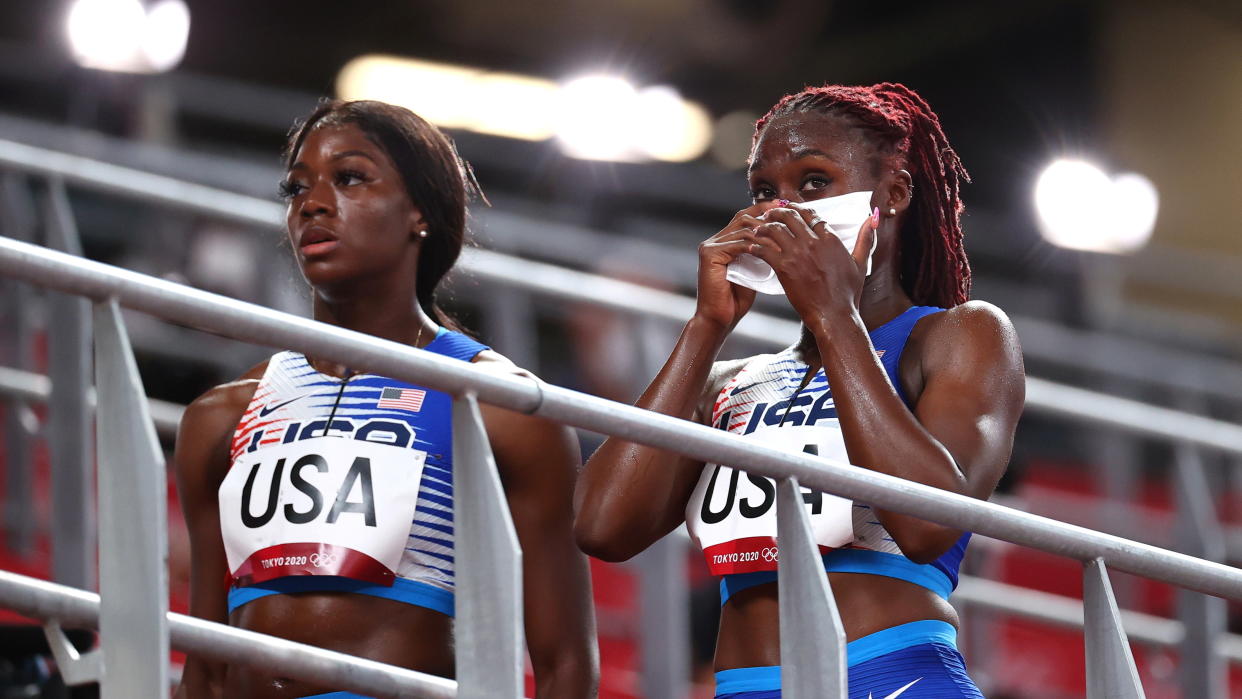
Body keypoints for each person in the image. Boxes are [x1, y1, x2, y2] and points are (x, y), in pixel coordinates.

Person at [575, 83, 1025, 698]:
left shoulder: (961, 334)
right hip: (745, 686)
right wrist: (706, 328)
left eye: (814, 182)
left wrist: (837, 317)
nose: (781, 211)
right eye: (764, 191)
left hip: (890, 674)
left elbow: (927, 526)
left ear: (891, 195)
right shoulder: (727, 382)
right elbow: (603, 528)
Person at [174, 100, 598, 699]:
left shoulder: (494, 405)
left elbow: (564, 668)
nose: (312, 204)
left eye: (350, 178)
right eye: (295, 188)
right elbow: (207, 665)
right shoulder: (221, 416)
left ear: (419, 214)